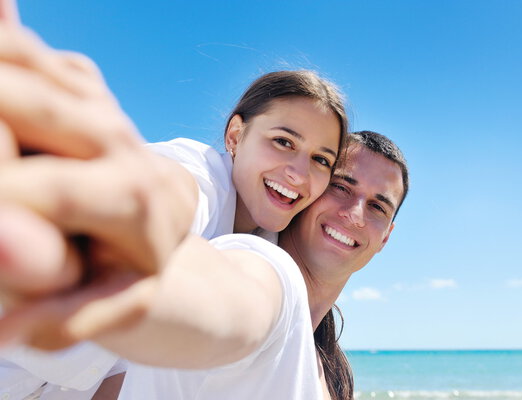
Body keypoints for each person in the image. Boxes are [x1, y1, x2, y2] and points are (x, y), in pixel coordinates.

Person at [0, 3, 348, 398]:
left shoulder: (266, 246)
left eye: (321, 160)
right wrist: (130, 211)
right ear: (235, 136)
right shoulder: (198, 172)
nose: (299, 174)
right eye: (283, 142)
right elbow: (171, 192)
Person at [0, 130, 410, 400]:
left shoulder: (331, 375)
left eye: (377, 206)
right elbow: (229, 307)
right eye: (340, 186)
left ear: (386, 237)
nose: (355, 213)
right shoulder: (260, 268)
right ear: (309, 190)